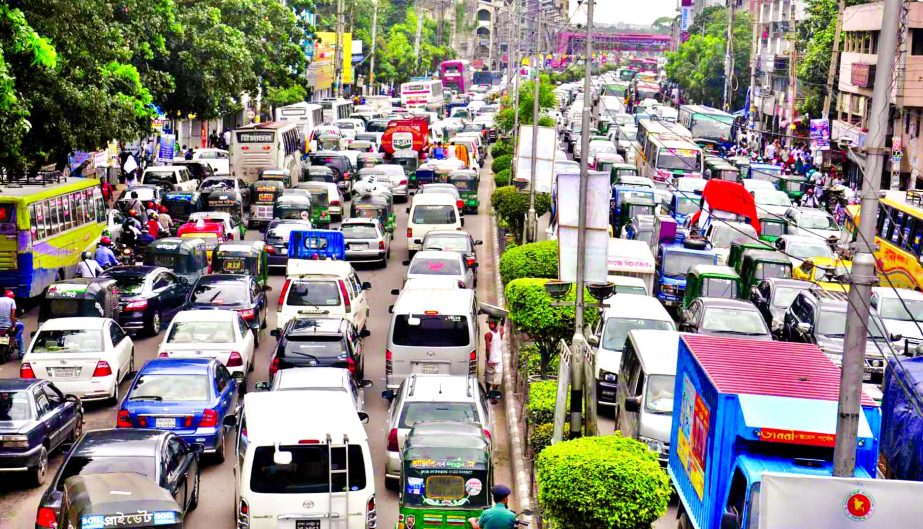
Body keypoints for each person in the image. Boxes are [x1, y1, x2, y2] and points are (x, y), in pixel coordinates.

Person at [0, 291, 24, 359]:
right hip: (8, 326)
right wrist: (13, 325)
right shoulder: (11, 301)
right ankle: (16, 343)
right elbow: (12, 315)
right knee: (21, 327)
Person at [484, 320, 504, 403]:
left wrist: (489, 359)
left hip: (490, 360)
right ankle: (493, 396)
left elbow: (487, 348)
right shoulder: (501, 332)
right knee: (497, 379)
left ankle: (488, 393)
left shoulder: (488, 335)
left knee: (488, 378)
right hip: (498, 360)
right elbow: (503, 325)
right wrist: (503, 318)